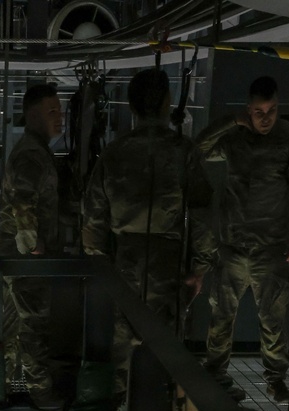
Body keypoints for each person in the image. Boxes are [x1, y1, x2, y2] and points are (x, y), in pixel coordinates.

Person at [83, 69, 214, 385]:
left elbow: (93, 217)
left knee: (118, 349)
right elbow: (203, 215)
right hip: (170, 266)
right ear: (168, 102)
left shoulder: (114, 153)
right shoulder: (184, 151)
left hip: (123, 264)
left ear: (131, 107)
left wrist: (100, 264)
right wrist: (199, 267)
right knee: (165, 356)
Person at [197, 75, 289, 401]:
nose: (266, 118)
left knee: (273, 320)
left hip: (270, 245)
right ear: (249, 109)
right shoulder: (235, 137)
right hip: (234, 243)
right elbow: (200, 149)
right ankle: (215, 371)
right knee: (221, 316)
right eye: (259, 111)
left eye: (272, 110)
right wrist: (229, 122)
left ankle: (275, 377)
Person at [0, 82, 65, 410]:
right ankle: (40, 392)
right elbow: (23, 198)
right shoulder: (33, 154)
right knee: (35, 322)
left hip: (13, 254)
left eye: (60, 110)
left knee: (11, 327)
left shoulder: (33, 149)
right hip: (25, 256)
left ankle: (0, 386)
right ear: (32, 114)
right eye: (52, 111)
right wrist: (31, 245)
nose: (59, 117)